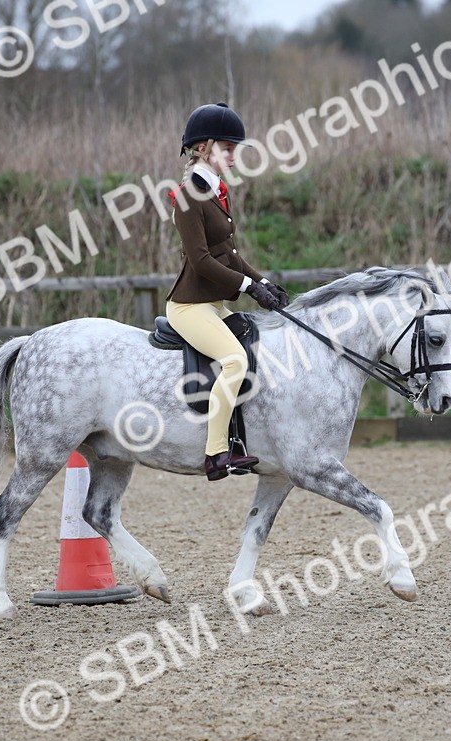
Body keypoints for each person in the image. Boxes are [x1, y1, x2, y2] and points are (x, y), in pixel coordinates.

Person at [165, 102, 290, 481]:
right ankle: (217, 453)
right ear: (203, 148)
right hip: (190, 307)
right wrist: (249, 286)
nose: (235, 156)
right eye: (228, 148)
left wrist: (262, 282)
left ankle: (243, 438)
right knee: (235, 360)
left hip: (213, 304)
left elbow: (229, 254)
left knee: (255, 341)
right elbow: (202, 261)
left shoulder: (216, 191)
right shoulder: (189, 196)